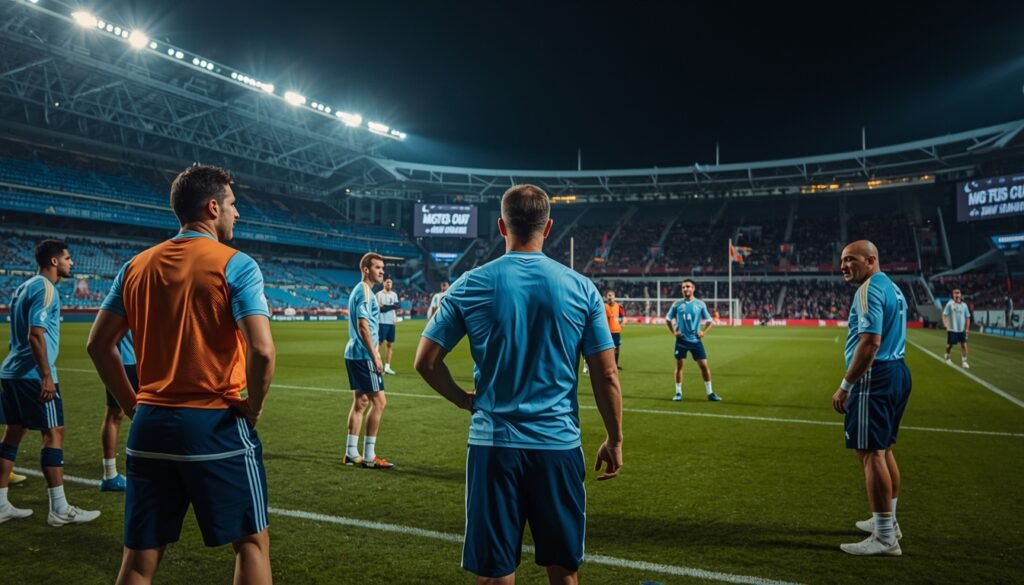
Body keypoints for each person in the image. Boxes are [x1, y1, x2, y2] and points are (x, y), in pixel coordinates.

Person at [415, 184, 624, 584]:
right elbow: (607, 374)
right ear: (549, 228)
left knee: (495, 574)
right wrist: (614, 439)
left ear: (501, 226)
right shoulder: (582, 289)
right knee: (564, 572)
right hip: (558, 447)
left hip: (493, 446)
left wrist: (463, 400)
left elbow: (425, 362)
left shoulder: (470, 284)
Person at [87, 165, 276, 584]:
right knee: (250, 543)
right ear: (213, 208)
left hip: (151, 426)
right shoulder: (237, 264)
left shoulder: (135, 266)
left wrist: (133, 404)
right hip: (214, 423)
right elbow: (262, 349)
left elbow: (98, 345)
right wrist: (253, 407)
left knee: (138, 559)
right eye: (232, 205)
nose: (237, 214)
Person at [0, 240, 101, 526]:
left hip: (12, 372)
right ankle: (59, 508)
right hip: (33, 374)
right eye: (68, 258)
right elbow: (36, 334)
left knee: (14, 432)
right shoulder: (46, 288)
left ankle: (1, 503)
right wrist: (46, 374)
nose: (72, 263)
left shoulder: (24, 287)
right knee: (54, 432)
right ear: (54, 261)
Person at [832, 240, 911, 556]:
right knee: (883, 449)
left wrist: (845, 386)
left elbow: (870, 342)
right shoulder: (892, 286)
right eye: (842, 260)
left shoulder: (867, 290)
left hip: (873, 377)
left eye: (850, 259)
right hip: (896, 372)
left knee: (871, 453)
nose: (843, 266)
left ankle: (884, 538)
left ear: (870, 260)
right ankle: (888, 522)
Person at [343, 253, 394, 469]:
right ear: (366, 269)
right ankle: (369, 456)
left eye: (382, 268)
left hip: (354, 353)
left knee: (361, 402)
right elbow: (363, 325)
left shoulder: (364, 291)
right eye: (377, 267)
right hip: (364, 356)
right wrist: (375, 356)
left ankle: (350, 452)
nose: (382, 271)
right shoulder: (364, 291)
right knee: (379, 402)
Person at [665, 279, 721, 402]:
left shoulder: (700, 304)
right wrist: (674, 333)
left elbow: (710, 321)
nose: (686, 289)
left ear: (693, 288)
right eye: (684, 287)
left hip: (696, 341)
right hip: (682, 341)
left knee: (704, 366)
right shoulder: (677, 304)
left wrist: (703, 332)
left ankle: (710, 393)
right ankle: (678, 393)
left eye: (688, 287)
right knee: (679, 366)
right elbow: (668, 319)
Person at [98, 331, 137, 492]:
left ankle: (110, 474)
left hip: (125, 359)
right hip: (130, 360)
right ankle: (110, 474)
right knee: (119, 415)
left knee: (114, 416)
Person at [942, 288, 971, 369]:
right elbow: (944, 314)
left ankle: (964, 361)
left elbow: (968, 317)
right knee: (950, 345)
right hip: (952, 329)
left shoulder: (964, 305)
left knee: (964, 345)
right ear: (953, 294)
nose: (957, 294)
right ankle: (947, 356)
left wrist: (967, 329)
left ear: (960, 294)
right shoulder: (950, 304)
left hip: (961, 330)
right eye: (955, 293)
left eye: (958, 292)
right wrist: (945, 325)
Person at [376, 277, 400, 375]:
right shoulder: (378, 295)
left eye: (390, 282)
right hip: (382, 322)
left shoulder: (394, 295)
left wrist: (386, 307)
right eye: (387, 282)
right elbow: (381, 309)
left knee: (390, 345)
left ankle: (387, 367)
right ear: (383, 283)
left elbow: (397, 306)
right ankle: (377, 367)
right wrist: (391, 306)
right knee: (379, 345)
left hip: (391, 323)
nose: (389, 284)